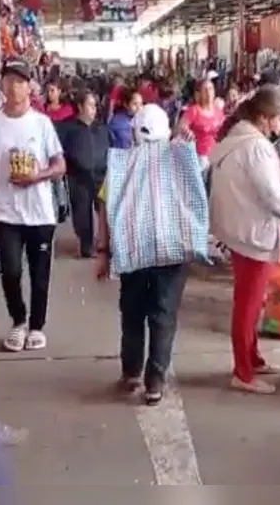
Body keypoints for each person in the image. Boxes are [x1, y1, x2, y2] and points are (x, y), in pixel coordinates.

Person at [208, 86, 280, 394]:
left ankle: (252, 358)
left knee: (251, 302)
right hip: (251, 233)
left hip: (238, 228)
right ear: (263, 117)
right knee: (247, 305)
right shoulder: (254, 146)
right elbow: (276, 200)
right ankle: (243, 373)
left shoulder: (238, 138)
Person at [96, 103, 182, 406]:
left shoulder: (121, 165)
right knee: (163, 316)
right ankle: (154, 381)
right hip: (171, 253)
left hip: (131, 250)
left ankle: (132, 371)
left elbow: (104, 208)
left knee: (132, 313)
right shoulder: (180, 164)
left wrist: (103, 252)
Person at [0, 59, 66, 352]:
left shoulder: (41, 123)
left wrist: (37, 176)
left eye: (20, 81)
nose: (14, 86)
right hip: (5, 210)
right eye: (9, 80)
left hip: (39, 212)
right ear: (2, 84)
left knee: (39, 274)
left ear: (29, 87)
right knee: (10, 270)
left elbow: (59, 165)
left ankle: (37, 326)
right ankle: (18, 321)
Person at [57, 90, 109, 258]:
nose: (94, 109)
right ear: (80, 106)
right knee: (82, 212)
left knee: (105, 209)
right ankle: (86, 246)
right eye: (90, 105)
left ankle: (105, 243)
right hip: (78, 177)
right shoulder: (67, 127)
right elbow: (58, 150)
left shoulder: (100, 127)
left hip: (101, 176)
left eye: (95, 106)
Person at [177, 77, 225, 170]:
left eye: (211, 89)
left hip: (216, 156)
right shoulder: (193, 111)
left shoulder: (219, 112)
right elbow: (181, 126)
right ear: (199, 94)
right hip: (199, 157)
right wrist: (186, 131)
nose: (209, 93)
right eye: (205, 90)